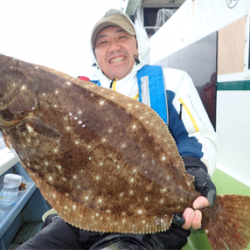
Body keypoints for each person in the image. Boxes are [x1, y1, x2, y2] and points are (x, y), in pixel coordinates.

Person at [17, 9, 217, 250]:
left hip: (150, 221)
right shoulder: (76, 92)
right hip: (84, 218)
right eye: (103, 42)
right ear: (95, 53)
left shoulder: (170, 82)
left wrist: (193, 170)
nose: (113, 47)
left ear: (136, 45)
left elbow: (195, 136)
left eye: (121, 37)